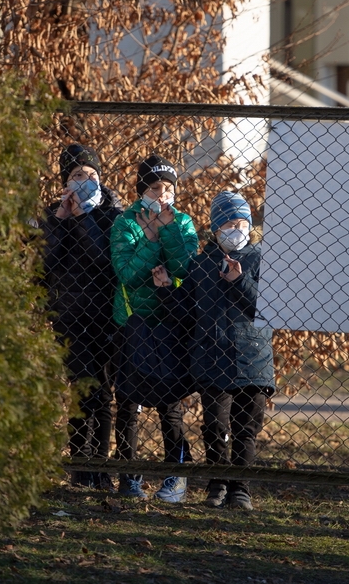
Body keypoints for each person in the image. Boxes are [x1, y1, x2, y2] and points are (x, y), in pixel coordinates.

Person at [155, 191, 275, 511]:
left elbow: (266, 309)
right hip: (211, 356)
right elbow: (185, 312)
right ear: (215, 229)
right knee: (215, 426)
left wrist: (238, 281)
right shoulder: (201, 264)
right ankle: (217, 482)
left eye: (241, 223)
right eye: (228, 224)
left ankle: (240, 488)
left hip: (252, 357)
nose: (236, 230)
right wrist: (167, 291)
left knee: (246, 427)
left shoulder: (261, 259)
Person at [111, 154, 199, 501]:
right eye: (154, 187)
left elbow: (186, 267)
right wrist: (148, 240)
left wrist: (169, 231)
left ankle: (174, 476)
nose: (162, 194)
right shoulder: (125, 223)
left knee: (170, 405)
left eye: (168, 188)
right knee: (128, 402)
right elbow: (127, 274)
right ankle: (128, 476)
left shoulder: (183, 222)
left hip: (170, 323)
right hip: (131, 323)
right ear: (141, 190)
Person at [40, 143, 123, 491]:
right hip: (70, 317)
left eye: (91, 175)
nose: (86, 180)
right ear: (65, 182)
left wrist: (82, 218)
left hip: (105, 316)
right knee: (79, 391)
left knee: (103, 394)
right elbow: (44, 264)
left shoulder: (111, 214)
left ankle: (100, 465)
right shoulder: (52, 215)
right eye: (77, 175)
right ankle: (79, 466)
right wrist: (60, 220)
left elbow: (104, 262)